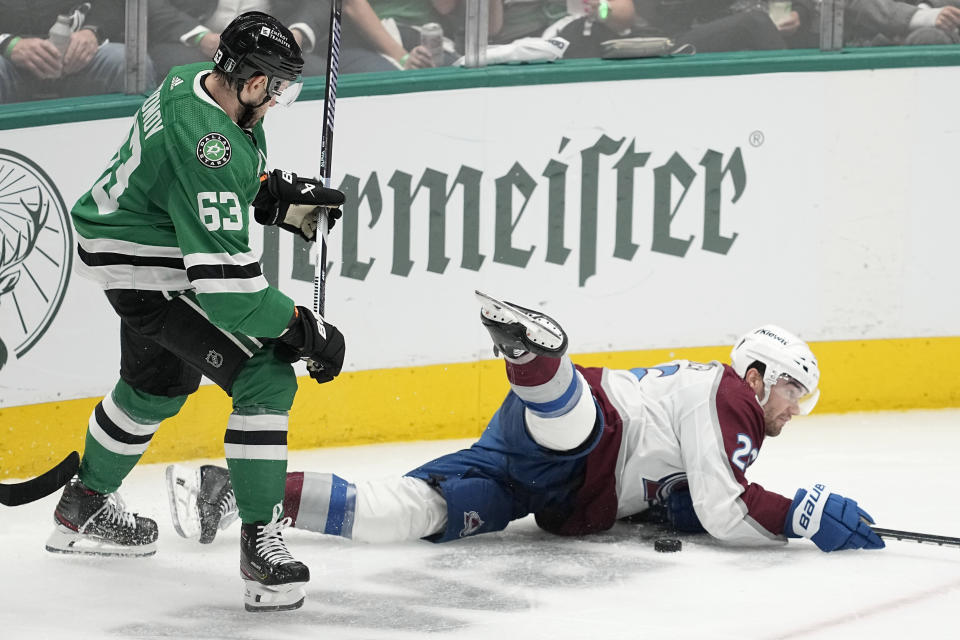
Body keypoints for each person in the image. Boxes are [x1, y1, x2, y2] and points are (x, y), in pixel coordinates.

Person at [167, 291, 885, 554]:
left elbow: (697, 495)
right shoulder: (732, 400)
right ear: (756, 373)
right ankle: (537, 360)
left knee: (406, 515)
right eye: (790, 387)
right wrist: (801, 516)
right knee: (576, 432)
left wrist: (673, 501)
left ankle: (241, 490)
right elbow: (731, 513)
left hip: (531, 476)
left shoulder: (710, 400)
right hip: (586, 440)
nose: (792, 406)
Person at [46, 11, 348, 613]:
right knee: (265, 376)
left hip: (126, 244)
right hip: (154, 266)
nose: (279, 97)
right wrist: (302, 328)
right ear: (252, 81)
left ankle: (82, 508)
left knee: (156, 384)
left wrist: (269, 194)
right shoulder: (209, 147)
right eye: (277, 86)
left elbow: (195, 181)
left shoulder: (195, 80)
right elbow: (229, 295)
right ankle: (260, 548)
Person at [0, 0, 144, 103]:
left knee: (128, 62)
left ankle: (139, 142)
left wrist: (93, 31)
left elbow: (114, 4)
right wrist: (7, 44)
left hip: (81, 59)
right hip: (9, 62)